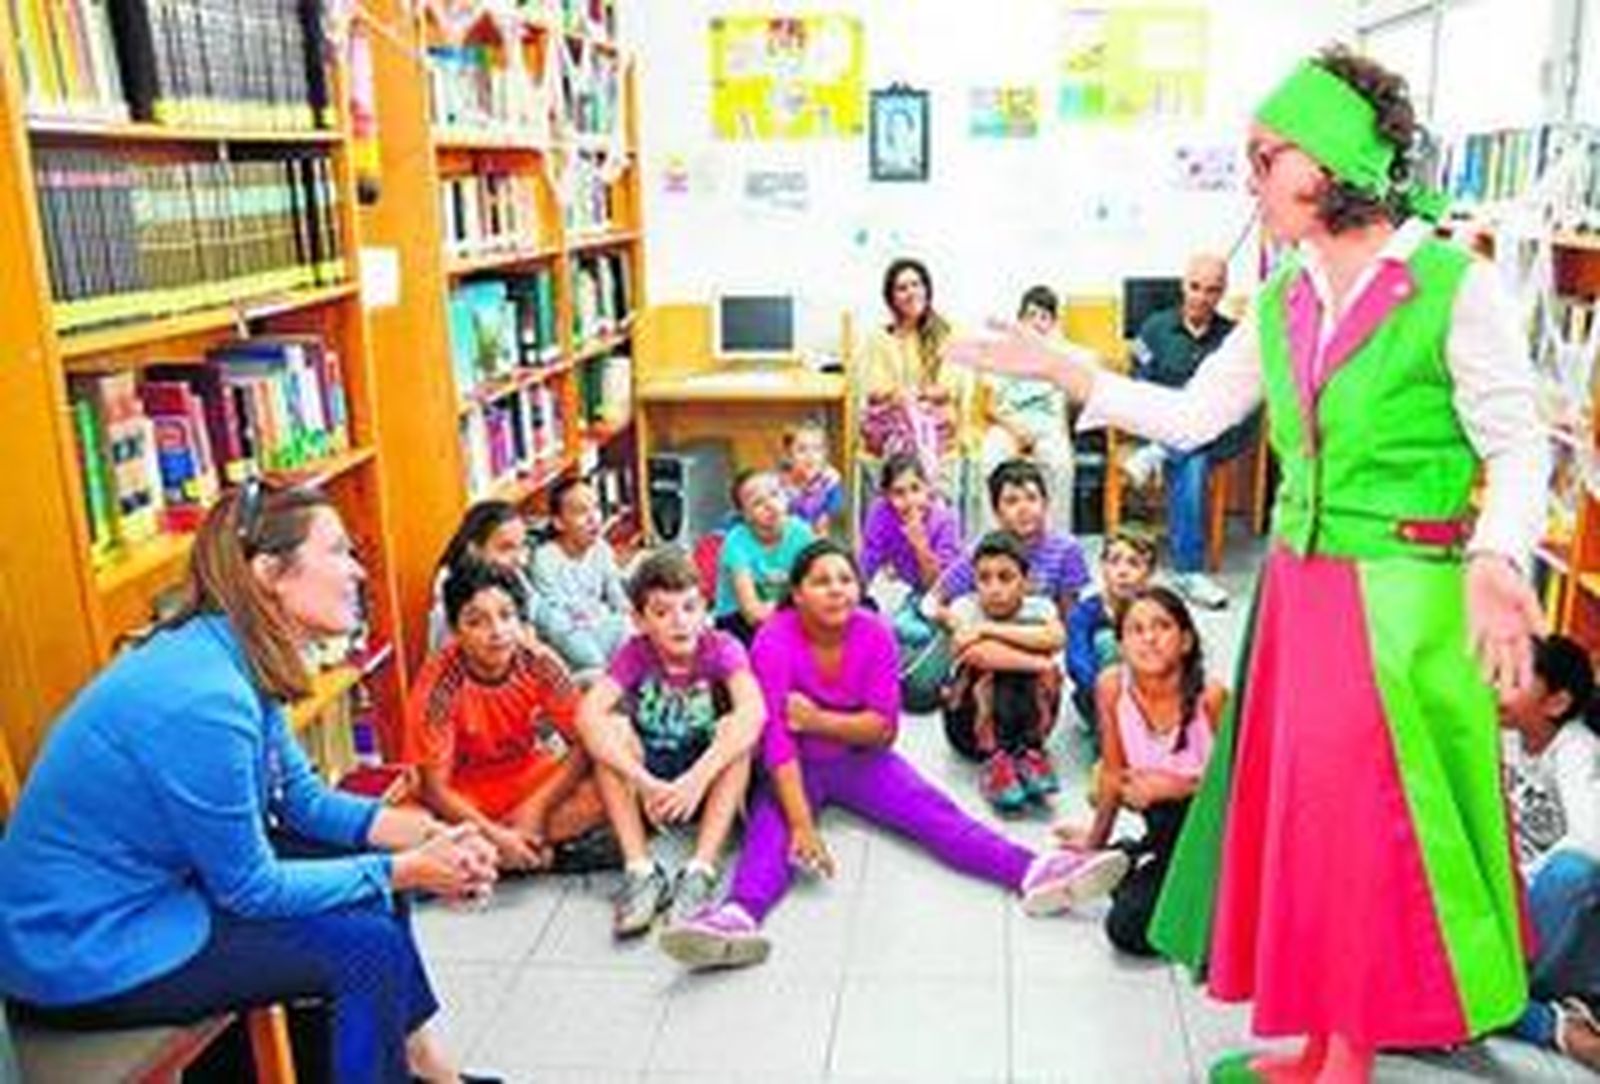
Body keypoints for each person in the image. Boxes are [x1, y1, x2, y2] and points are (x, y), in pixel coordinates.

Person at [950, 45, 1547, 1083]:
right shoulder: (1283, 299)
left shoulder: (1453, 284)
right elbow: (1191, 414)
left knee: (1371, 832)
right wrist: (1066, 369)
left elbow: (1517, 442)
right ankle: (1316, 1036)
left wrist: (1497, 556)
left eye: (1264, 156)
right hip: (1300, 597)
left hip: (1400, 606)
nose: (1251, 177)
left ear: (1331, 162)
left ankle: (1347, 1056)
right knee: (1307, 823)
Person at [0, 481, 501, 1084]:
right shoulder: (206, 698)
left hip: (157, 891)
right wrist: (409, 869)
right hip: (85, 946)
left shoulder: (231, 653)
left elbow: (303, 802)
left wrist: (430, 835)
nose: (358, 572)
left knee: (374, 875)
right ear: (269, 572)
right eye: (339, 551)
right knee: (367, 949)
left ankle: (423, 1068)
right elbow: (251, 889)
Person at [656, 540, 1130, 972]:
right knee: (770, 831)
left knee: (935, 814)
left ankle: (1035, 871)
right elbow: (777, 740)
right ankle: (737, 917)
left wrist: (817, 719)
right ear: (796, 594)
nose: (836, 590)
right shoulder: (774, 639)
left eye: (845, 579)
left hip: (861, 760)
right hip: (794, 764)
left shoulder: (874, 633)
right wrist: (802, 824)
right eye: (821, 581)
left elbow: (883, 731)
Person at [576, 549, 764, 938]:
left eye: (690, 607)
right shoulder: (636, 653)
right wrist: (644, 781)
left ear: (704, 609)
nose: (680, 621)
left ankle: (700, 870)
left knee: (736, 729)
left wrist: (696, 781)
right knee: (608, 728)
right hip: (653, 778)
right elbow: (588, 716)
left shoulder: (722, 647)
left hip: (703, 772)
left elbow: (754, 712)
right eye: (662, 612)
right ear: (640, 620)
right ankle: (641, 871)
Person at [406, 558, 613, 875]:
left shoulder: (539, 662)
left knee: (613, 775)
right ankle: (531, 854)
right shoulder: (439, 686)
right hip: (464, 796)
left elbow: (584, 742)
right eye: (477, 621)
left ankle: (495, 857)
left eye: (506, 616)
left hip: (528, 779)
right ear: (455, 631)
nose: (497, 632)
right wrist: (497, 836)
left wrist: (536, 809)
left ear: (521, 620)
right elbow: (435, 789)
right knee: (406, 827)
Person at [1055, 587, 1225, 959]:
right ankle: (1138, 858)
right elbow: (1114, 772)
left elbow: (1244, 790)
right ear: (1120, 643)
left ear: (1185, 641)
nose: (1149, 638)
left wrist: (1180, 786)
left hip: (1215, 836)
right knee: (1128, 925)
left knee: (1130, 928)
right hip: (1163, 826)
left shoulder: (1210, 698)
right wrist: (1093, 842)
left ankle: (1141, 861)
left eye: (1162, 626)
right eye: (1135, 629)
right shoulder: (1112, 686)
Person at [1123, 253, 1251, 610]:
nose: (1201, 297)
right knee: (1191, 459)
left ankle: (1159, 452)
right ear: (1183, 285)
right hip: (1169, 427)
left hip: (1219, 433)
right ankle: (1188, 571)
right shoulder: (1154, 328)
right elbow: (1138, 389)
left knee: (1199, 438)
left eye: (1212, 290)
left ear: (1222, 292)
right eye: (1195, 287)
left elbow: (1240, 398)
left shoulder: (1233, 338)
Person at [1499, 634, 1600, 1072]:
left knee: (1570, 872)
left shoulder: (1576, 751)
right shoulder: (1502, 736)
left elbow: (1592, 842)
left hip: (1558, 925)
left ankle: (1505, 1001)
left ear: (1556, 703)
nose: (1496, 686)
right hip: (1513, 911)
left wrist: (1521, 877)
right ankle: (1545, 1019)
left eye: (1515, 678)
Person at [940, 532, 1065, 813]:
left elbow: (1056, 638)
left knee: (1019, 661)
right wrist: (1038, 662)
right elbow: (976, 653)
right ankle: (996, 760)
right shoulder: (964, 607)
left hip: (1028, 722)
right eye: (984, 578)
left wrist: (987, 629)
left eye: (1005, 577)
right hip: (969, 728)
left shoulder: (1041, 607)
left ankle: (1028, 754)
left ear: (1026, 581)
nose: (994, 588)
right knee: (991, 667)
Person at [859, 452, 964, 712]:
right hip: (916, 593)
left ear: (928, 488)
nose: (909, 501)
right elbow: (867, 562)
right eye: (899, 493)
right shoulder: (880, 514)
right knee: (887, 627)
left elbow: (938, 586)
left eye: (916, 489)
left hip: (947, 594)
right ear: (886, 496)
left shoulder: (945, 519)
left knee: (915, 632)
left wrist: (919, 543)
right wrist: (854, 601)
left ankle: (944, 673)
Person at [928, 459, 1090, 625]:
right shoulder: (983, 551)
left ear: (1046, 504)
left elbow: (1069, 616)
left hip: (1042, 637)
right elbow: (932, 601)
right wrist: (954, 622)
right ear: (996, 512)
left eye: (1032, 499)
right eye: (1012, 501)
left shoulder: (1066, 549)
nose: (1024, 509)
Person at [860, 258, 970, 502]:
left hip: (935, 424)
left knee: (916, 432)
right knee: (903, 433)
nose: (911, 292)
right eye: (902, 288)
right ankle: (904, 507)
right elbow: (875, 391)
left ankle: (927, 511)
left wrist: (910, 396)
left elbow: (947, 389)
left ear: (927, 289)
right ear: (891, 298)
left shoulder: (946, 333)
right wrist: (904, 398)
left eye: (916, 284)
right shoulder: (878, 338)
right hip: (892, 424)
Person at [979, 285, 1076, 535]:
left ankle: (1055, 540)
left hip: (1046, 427)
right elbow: (989, 406)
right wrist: (1015, 431)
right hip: (1007, 424)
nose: (1036, 323)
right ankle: (994, 538)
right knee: (990, 460)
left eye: (1044, 317)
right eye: (1031, 315)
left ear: (1052, 324)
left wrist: (1062, 437)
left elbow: (1061, 409)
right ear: (1020, 319)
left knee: (1061, 465)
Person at [530, 476, 632, 678]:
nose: (593, 518)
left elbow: (617, 596)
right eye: (581, 512)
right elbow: (554, 623)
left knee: (629, 628)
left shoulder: (601, 548)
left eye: (595, 508)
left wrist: (633, 617)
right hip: (568, 639)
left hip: (598, 626)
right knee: (598, 666)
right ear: (558, 522)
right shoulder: (544, 559)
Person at [1065, 529, 1159, 728]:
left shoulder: (1159, 610)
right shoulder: (1084, 613)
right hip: (1100, 694)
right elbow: (1077, 660)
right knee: (1106, 640)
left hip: (1147, 691)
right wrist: (1107, 691)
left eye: (1134, 563)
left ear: (1149, 572)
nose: (1122, 572)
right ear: (1102, 566)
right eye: (1114, 561)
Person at [712, 469, 814, 645]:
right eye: (758, 503)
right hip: (737, 617)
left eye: (775, 494)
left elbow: (816, 582)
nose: (770, 505)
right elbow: (752, 614)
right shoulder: (736, 542)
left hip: (785, 609)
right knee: (761, 646)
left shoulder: (802, 533)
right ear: (745, 515)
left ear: (786, 497)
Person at [427, 500, 535, 652]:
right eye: (506, 548)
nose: (521, 560)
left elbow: (529, 625)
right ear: (474, 550)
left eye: (522, 545)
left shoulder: (508, 572)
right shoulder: (453, 599)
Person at [778, 420, 845, 537]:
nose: (810, 455)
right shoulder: (782, 485)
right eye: (802, 450)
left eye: (817, 449)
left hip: (820, 537)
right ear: (788, 455)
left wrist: (826, 515)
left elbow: (835, 505)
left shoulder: (829, 480)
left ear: (825, 453)